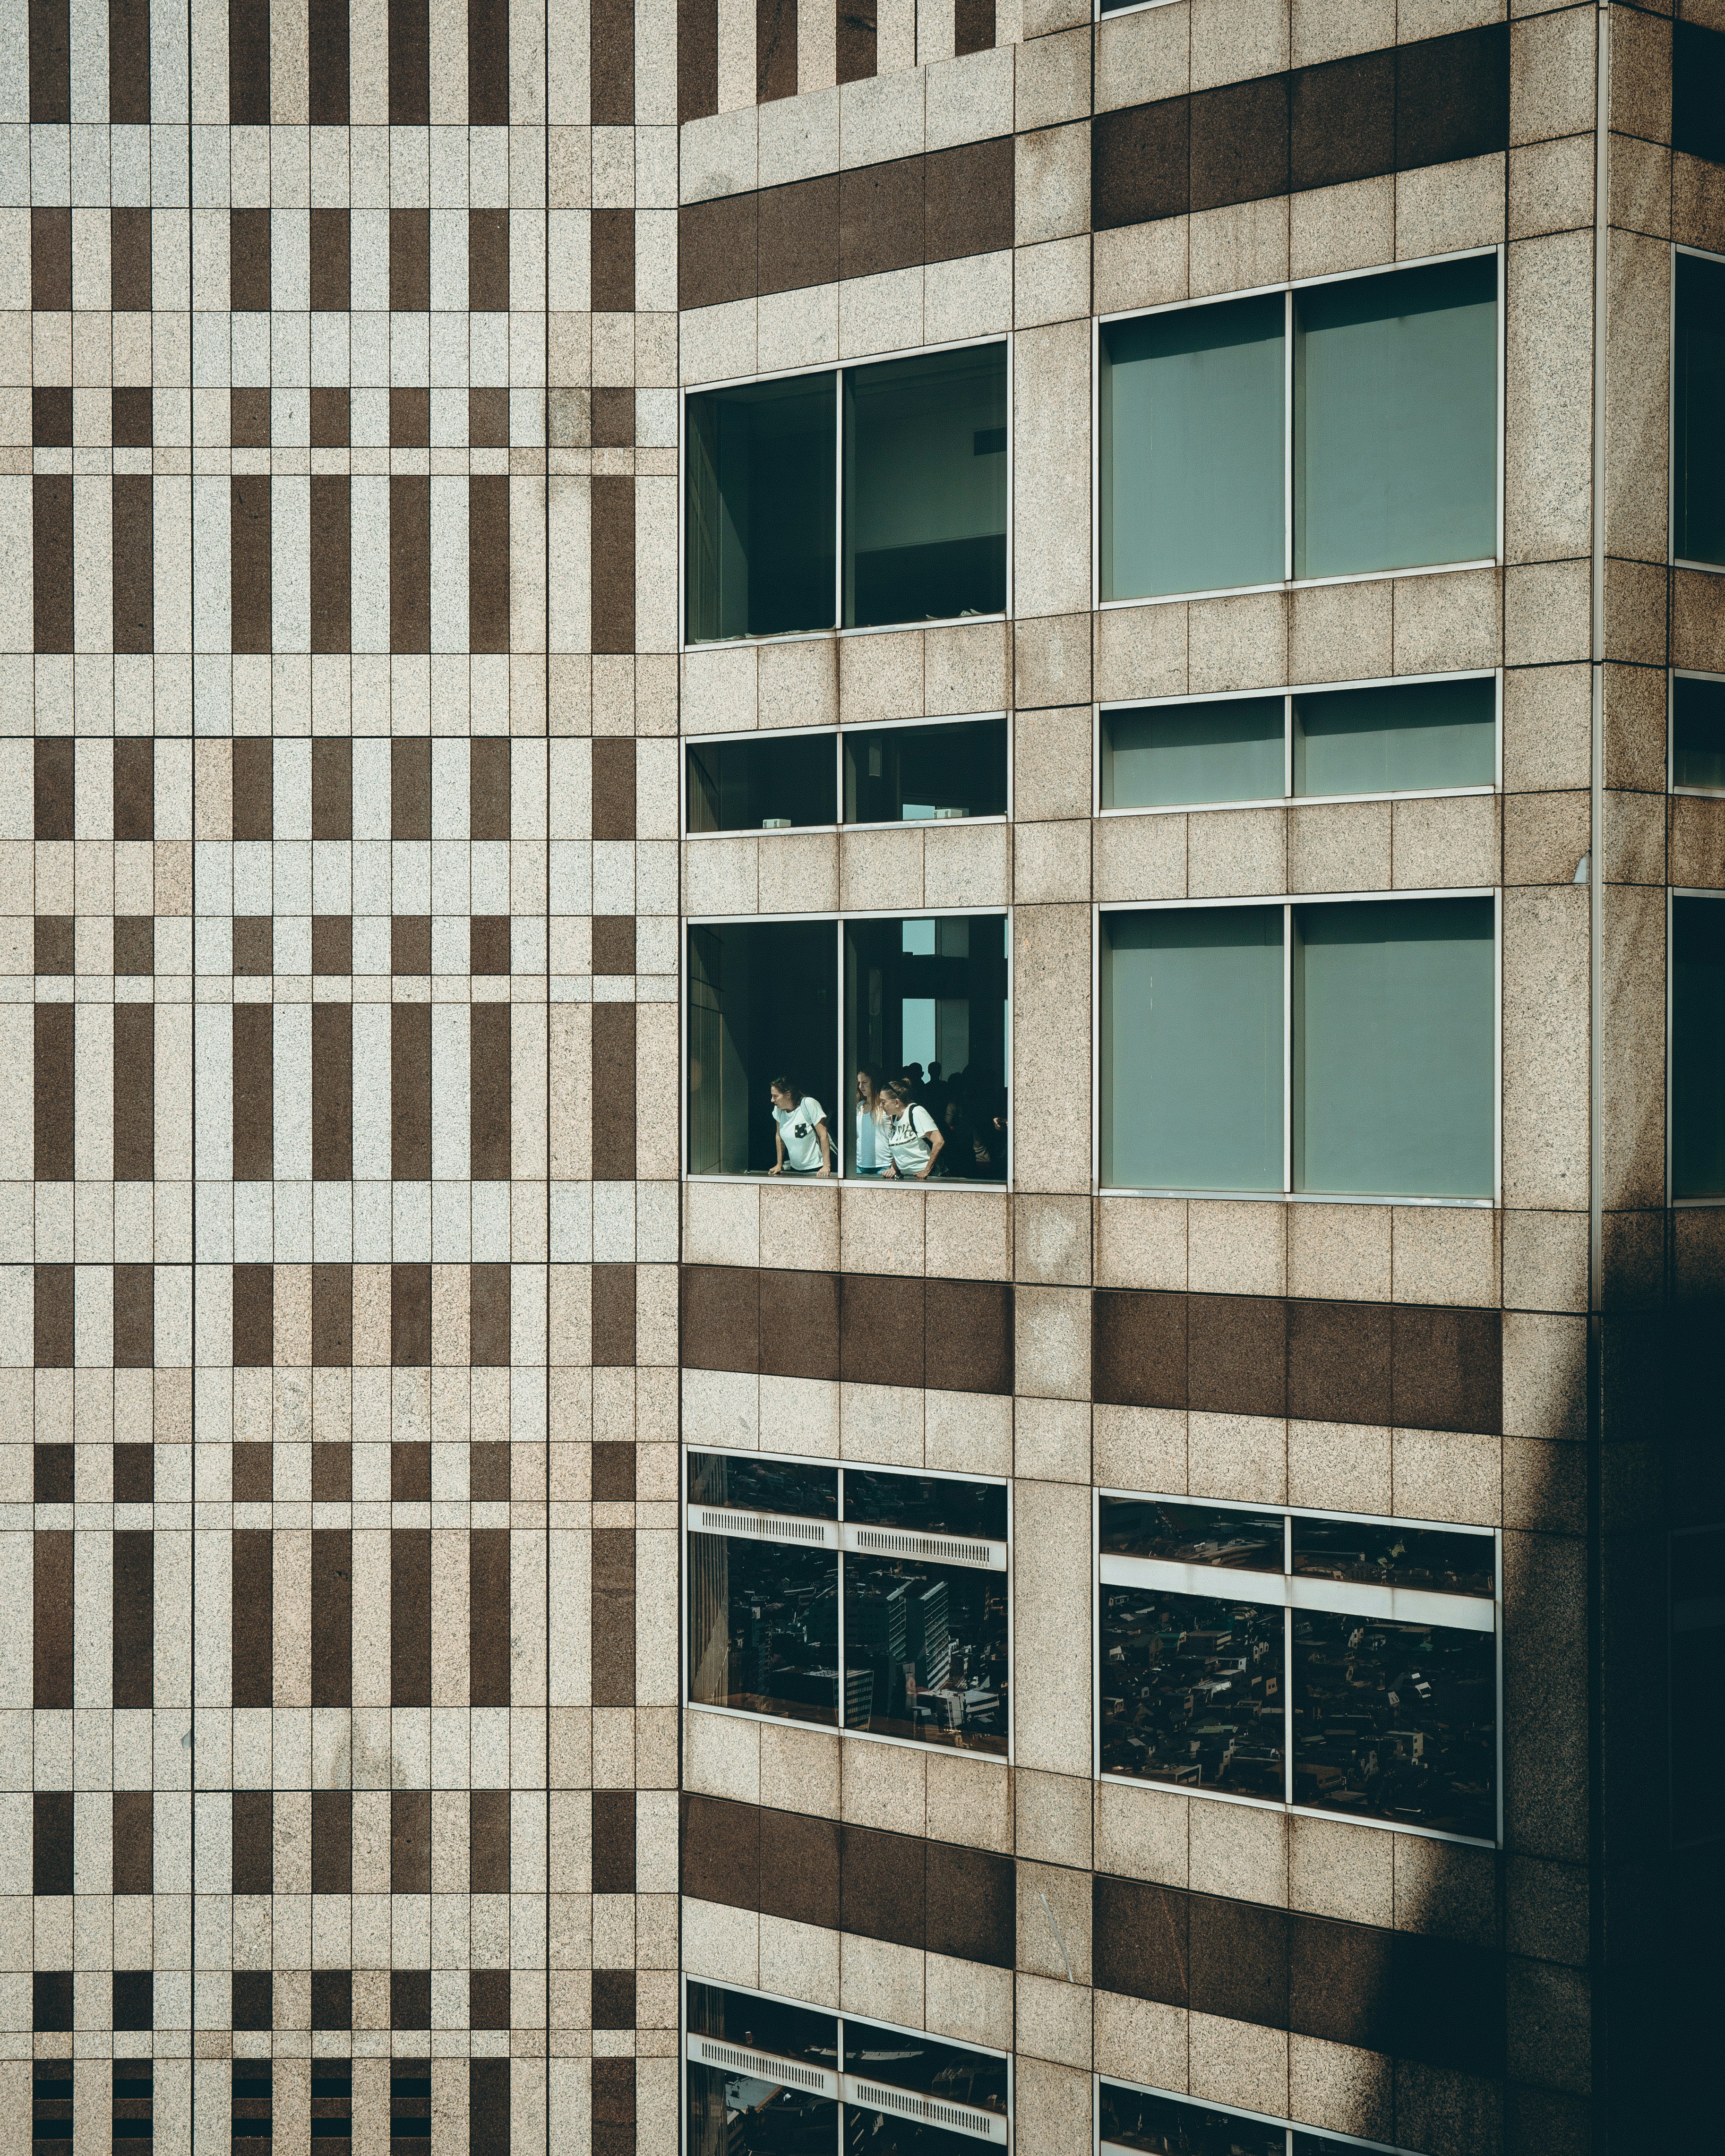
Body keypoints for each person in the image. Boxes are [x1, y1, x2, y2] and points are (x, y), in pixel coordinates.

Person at [878, 1077, 944, 1180]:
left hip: (928, 1177)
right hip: (908, 1177)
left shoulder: (916, 1112)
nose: (880, 1106)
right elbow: (899, 1146)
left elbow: (939, 1141)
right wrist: (893, 1168)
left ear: (897, 1103)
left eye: (883, 1102)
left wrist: (926, 1171)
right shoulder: (894, 1118)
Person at [768, 1077, 831, 1176]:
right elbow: (779, 1136)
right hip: (795, 1168)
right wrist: (779, 1164)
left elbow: (823, 1135)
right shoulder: (779, 1111)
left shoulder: (808, 1104)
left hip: (816, 1168)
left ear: (788, 1095)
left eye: (775, 1096)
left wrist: (826, 1166)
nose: (772, 1100)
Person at [853, 1066, 889, 1175]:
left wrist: (894, 1166)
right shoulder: (858, 1107)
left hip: (884, 1166)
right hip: (860, 1166)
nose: (861, 1087)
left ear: (875, 1082)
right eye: (859, 1083)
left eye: (865, 1082)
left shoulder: (886, 1107)